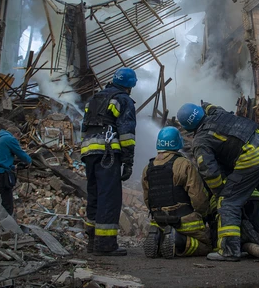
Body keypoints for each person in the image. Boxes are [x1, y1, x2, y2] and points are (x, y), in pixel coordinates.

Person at [177, 102, 259, 261]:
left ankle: (230, 250)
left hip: (252, 158)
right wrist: (204, 106)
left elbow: (210, 173)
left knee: (228, 203)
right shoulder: (218, 114)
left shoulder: (200, 140)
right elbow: (213, 107)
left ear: (187, 128)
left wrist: (221, 192)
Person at [81, 67, 137, 256]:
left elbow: (84, 127)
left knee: (94, 195)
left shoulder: (94, 99)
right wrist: (128, 161)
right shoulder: (123, 99)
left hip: (88, 151)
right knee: (109, 197)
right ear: (130, 86)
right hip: (107, 152)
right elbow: (127, 134)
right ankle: (105, 244)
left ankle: (92, 241)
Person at [141, 126, 212, 258]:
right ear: (178, 142)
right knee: (207, 245)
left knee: (165, 243)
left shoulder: (147, 168)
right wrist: (204, 214)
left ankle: (159, 236)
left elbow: (147, 199)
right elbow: (198, 197)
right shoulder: (184, 164)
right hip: (183, 220)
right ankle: (178, 239)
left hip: (159, 220)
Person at [0, 126, 32, 215]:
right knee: (6, 205)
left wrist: (14, 167)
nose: (18, 141)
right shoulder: (10, 139)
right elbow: (21, 153)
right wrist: (29, 161)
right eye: (18, 138)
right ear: (16, 134)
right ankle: (5, 228)